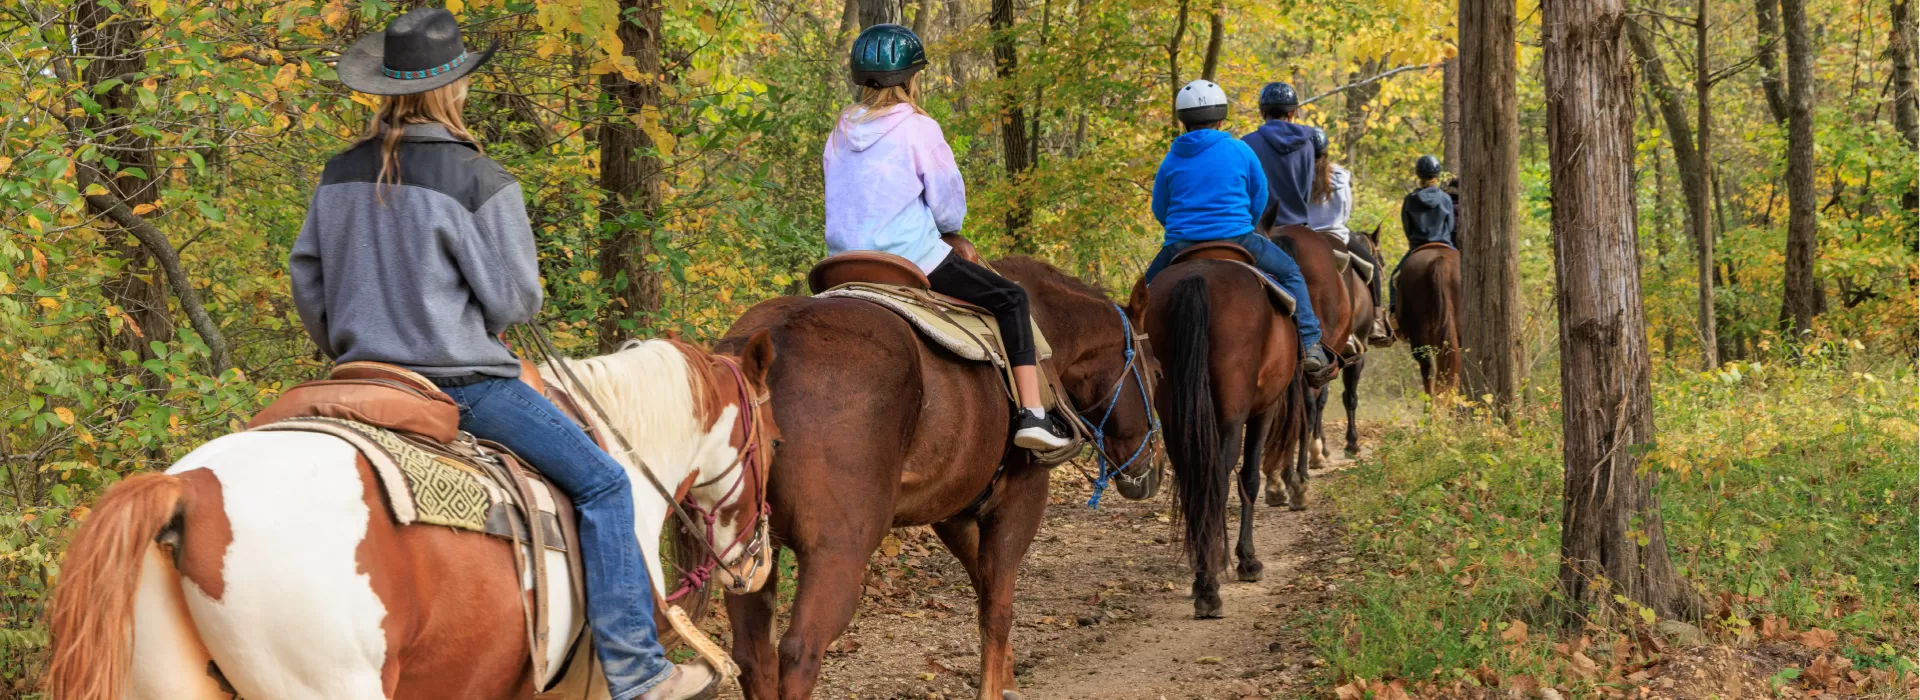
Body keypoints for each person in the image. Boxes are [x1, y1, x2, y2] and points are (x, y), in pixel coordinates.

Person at [293, 10, 715, 700]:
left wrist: (351, 340)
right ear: (454, 88)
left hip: (356, 378)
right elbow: (518, 301)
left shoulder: (337, 172)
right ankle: (639, 673)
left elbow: (308, 278)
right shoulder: (477, 177)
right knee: (607, 485)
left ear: (386, 88)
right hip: (461, 387)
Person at [824, 23, 1070, 451]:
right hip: (909, 259)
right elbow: (948, 205)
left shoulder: (840, 130)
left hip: (841, 262)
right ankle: (1032, 413)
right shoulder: (919, 128)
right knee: (1011, 297)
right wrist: (950, 230)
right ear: (913, 78)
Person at [1142, 79, 1329, 375]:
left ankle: (1135, 358)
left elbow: (1160, 208)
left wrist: (1183, 230)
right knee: (1292, 273)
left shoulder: (1171, 158)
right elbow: (1260, 196)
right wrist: (1247, 222)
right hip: (1239, 238)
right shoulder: (1239, 150)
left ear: (1183, 120)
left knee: (1142, 297)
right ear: (1221, 117)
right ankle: (1311, 344)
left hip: (1180, 244)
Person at [1304, 128, 1389, 344]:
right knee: (1371, 267)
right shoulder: (1341, 176)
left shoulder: (1298, 175)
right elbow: (1346, 211)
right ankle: (1377, 319)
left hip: (1307, 237)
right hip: (1338, 235)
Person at [1241, 82, 1317, 228]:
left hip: (1260, 226)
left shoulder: (1246, 143)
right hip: (1297, 223)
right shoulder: (1307, 145)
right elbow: (1306, 190)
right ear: (1291, 113)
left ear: (1262, 112)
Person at [1389, 154, 1456, 313]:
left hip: (1418, 247)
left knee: (1393, 279)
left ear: (1418, 174)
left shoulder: (1411, 199)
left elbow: (1408, 228)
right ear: (1437, 174)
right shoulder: (1445, 198)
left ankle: (1393, 314)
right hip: (1445, 244)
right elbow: (1451, 226)